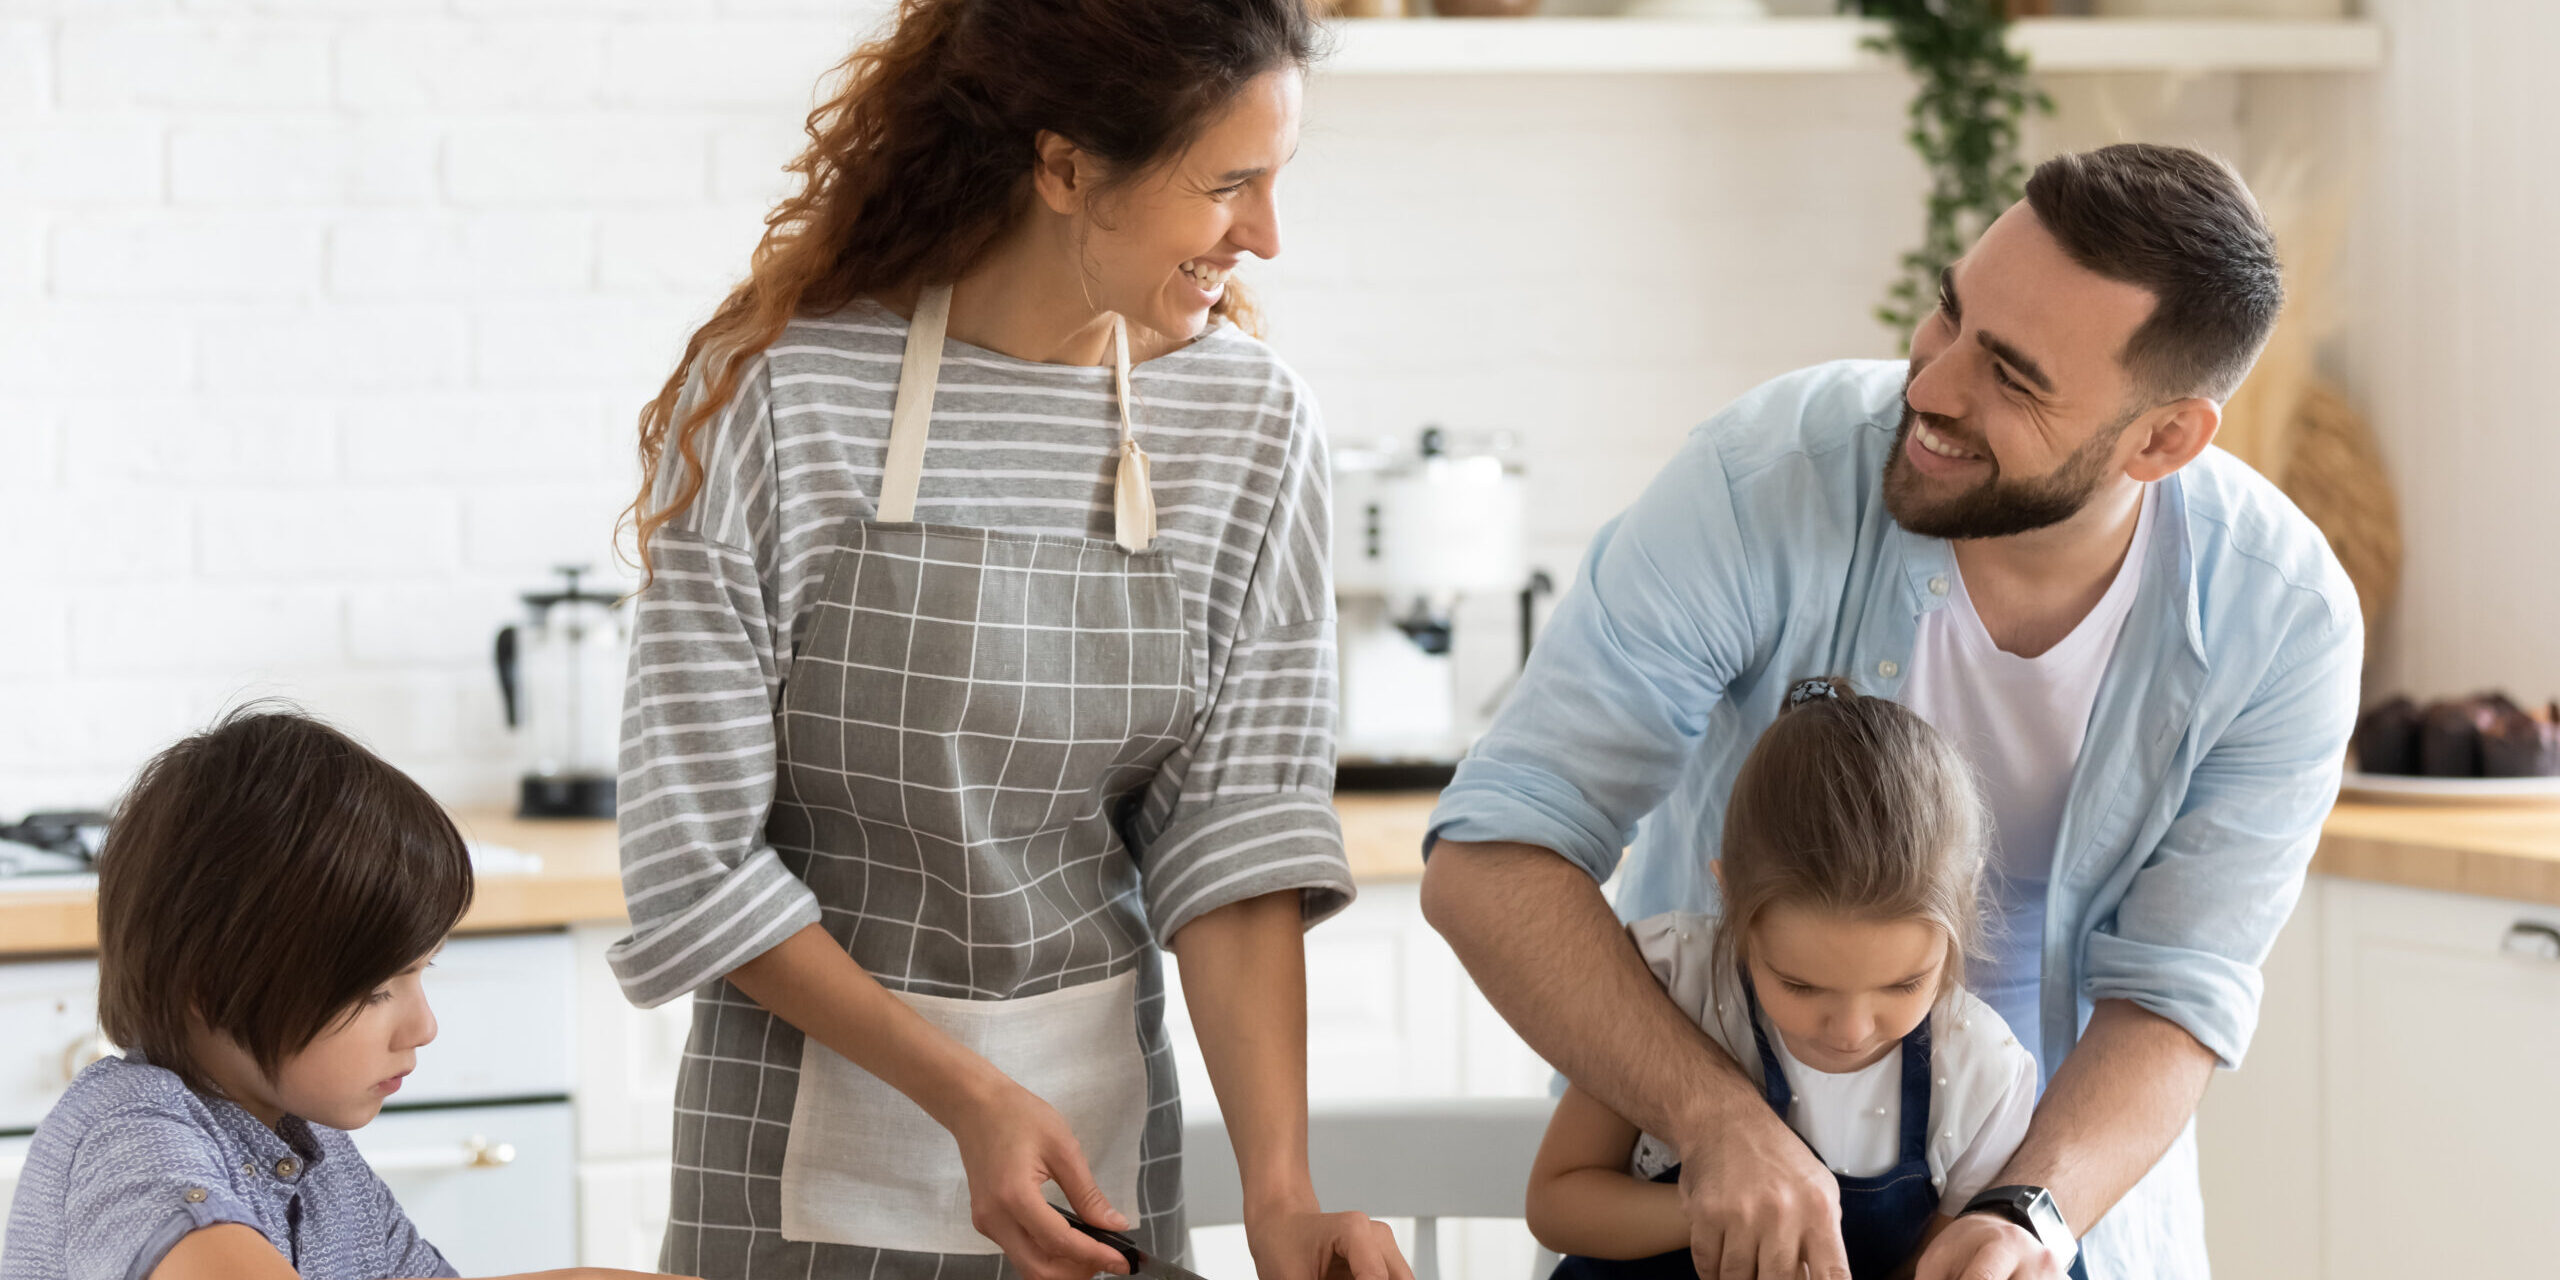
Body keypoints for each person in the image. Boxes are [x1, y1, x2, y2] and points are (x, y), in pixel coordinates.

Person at [1422, 143, 2362, 1280]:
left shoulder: (2284, 619)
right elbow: (1494, 852)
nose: (1928, 385)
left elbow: (2174, 994)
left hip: (2061, 1218)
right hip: (1712, 1206)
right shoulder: (1759, 478)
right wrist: (1719, 1123)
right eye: (1947, 314)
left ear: (2161, 439)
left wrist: (2028, 1212)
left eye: (2011, 376)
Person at [607, 3, 1406, 1280]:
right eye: (1228, 184)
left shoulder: (1244, 426)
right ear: (1066, 167)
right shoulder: (789, 398)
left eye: (1274, 182)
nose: (1263, 236)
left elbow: (1235, 834)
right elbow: (693, 861)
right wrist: (967, 1094)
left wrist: (1280, 1195)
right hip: (791, 1182)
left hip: (1099, 1178)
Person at [0, 707, 692, 1280]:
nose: (422, 1027)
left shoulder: (315, 1153)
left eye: (421, 973)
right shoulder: (131, 1136)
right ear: (210, 990)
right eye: (373, 991)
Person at [1527, 680, 2047, 1280]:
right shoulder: (1667, 988)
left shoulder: (1980, 1073)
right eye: (1800, 986)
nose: (1852, 1030)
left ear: (1965, 904)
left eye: (1904, 985)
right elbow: (1555, 1202)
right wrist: (1719, 1209)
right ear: (1730, 899)